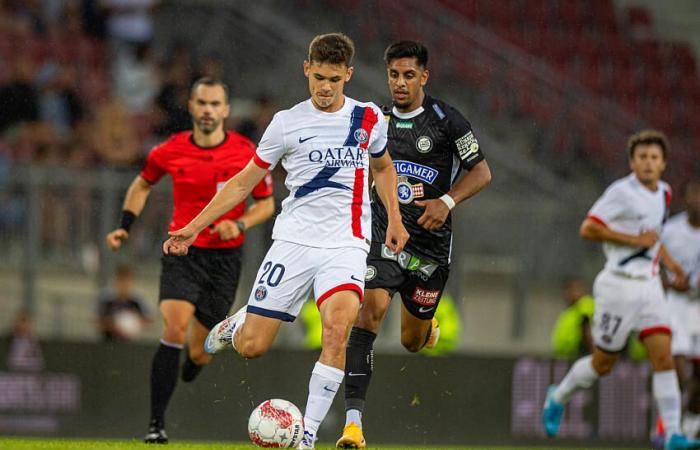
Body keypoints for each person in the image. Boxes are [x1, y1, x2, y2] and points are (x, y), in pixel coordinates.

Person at [163, 33, 408, 450]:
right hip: (293, 242)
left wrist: (395, 220)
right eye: (318, 77)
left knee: (337, 329)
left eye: (334, 78)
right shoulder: (286, 122)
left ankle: (308, 436)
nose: (325, 87)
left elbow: (383, 169)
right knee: (253, 348)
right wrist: (194, 226)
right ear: (306, 70)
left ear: (347, 75)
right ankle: (239, 322)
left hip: (346, 244)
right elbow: (244, 183)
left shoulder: (369, 118)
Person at [336, 40, 491, 449]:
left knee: (411, 341)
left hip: (430, 245)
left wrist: (447, 200)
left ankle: (427, 325)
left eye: (409, 75)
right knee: (370, 311)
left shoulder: (446, 120)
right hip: (384, 234)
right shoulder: (375, 119)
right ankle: (353, 425)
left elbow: (482, 172)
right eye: (393, 75)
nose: (400, 83)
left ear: (424, 76)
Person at [105, 77, 275, 444]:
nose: (209, 110)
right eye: (202, 103)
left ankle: (195, 361)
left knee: (199, 350)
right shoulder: (172, 149)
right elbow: (142, 184)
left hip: (225, 260)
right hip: (182, 251)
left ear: (226, 110)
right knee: (173, 327)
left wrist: (240, 222)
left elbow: (267, 203)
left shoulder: (246, 152)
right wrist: (125, 226)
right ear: (192, 107)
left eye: (216, 104)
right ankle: (156, 425)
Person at [542, 130, 700, 450]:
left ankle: (672, 434)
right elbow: (589, 228)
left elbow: (652, 238)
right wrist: (632, 241)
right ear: (632, 162)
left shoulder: (665, 194)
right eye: (642, 157)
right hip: (618, 286)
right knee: (603, 363)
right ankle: (557, 396)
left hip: (651, 286)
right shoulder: (621, 192)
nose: (648, 163)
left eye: (654, 158)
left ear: (664, 164)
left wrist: (671, 265)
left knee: (663, 357)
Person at [662, 180, 700, 439]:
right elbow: (652, 268)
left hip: (698, 306)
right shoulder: (671, 230)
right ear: (685, 198)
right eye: (693, 194)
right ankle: (668, 425)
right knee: (675, 367)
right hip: (675, 305)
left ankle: (688, 424)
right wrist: (670, 283)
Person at [96, 264, 153, 342]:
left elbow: (148, 320)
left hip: (131, 343)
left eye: (127, 281)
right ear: (116, 281)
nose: (125, 285)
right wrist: (115, 324)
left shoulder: (136, 301)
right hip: (109, 342)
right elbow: (98, 321)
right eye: (122, 280)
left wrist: (135, 321)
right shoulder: (107, 300)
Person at [550, 279, 595, 359]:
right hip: (567, 357)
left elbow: (587, 330)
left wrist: (593, 355)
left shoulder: (585, 306)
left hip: (580, 356)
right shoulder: (571, 310)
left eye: (574, 289)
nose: (569, 293)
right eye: (567, 290)